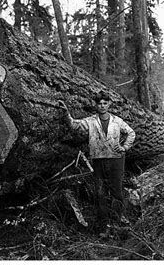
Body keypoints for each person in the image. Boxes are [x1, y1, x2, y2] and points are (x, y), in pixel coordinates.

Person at [58, 90, 135, 236]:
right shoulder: (91, 121)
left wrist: (124, 147)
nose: (102, 106)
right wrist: (66, 113)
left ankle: (116, 224)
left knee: (116, 191)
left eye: (105, 103)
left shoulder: (117, 121)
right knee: (100, 192)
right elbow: (75, 125)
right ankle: (103, 227)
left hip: (116, 160)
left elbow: (131, 133)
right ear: (96, 105)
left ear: (109, 104)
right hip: (99, 160)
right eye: (99, 103)